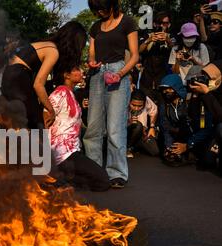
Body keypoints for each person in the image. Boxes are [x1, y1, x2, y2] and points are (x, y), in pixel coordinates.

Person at [84, 0, 139, 189]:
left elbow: (134, 55)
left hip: (118, 71)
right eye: (95, 9)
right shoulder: (95, 27)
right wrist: (91, 62)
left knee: (115, 127)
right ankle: (94, 171)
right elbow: (91, 54)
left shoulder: (128, 22)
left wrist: (121, 74)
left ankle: (116, 173)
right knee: (93, 127)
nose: (99, 12)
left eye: (102, 8)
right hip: (98, 74)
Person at [2, 22, 87, 130]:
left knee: (17, 123)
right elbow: (38, 85)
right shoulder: (53, 51)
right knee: (35, 123)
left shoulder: (46, 44)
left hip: (10, 76)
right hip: (18, 78)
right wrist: (51, 110)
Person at [49, 66, 110, 192]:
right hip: (63, 153)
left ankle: (61, 178)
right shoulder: (60, 92)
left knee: (99, 180)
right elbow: (45, 117)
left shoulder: (71, 93)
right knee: (102, 181)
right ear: (66, 75)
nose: (81, 71)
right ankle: (58, 179)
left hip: (73, 151)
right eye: (76, 69)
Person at [189, 60, 222, 176]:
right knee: (207, 161)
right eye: (205, 76)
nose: (207, 80)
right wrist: (195, 95)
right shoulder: (204, 93)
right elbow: (194, 117)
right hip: (211, 134)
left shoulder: (210, 94)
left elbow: (220, 116)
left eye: (211, 78)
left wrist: (208, 93)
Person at [139, 11, 175, 103]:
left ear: (169, 24)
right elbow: (139, 50)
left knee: (163, 106)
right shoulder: (148, 35)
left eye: (165, 23)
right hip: (147, 78)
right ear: (155, 24)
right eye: (160, 23)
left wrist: (167, 40)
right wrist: (149, 40)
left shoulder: (172, 37)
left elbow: (176, 51)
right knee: (147, 105)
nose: (162, 26)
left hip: (165, 77)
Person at [158, 74, 190, 166]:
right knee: (168, 155)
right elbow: (165, 126)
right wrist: (169, 146)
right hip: (175, 134)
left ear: (177, 88)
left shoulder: (188, 101)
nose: (166, 92)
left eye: (169, 88)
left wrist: (187, 146)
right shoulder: (164, 104)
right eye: (164, 89)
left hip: (190, 135)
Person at [127, 89, 159, 158]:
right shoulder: (124, 101)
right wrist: (129, 122)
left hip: (141, 133)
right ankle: (126, 148)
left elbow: (154, 111)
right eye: (133, 105)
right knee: (138, 126)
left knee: (155, 151)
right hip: (125, 132)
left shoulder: (147, 100)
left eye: (140, 106)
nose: (136, 108)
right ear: (129, 101)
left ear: (144, 103)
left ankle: (135, 146)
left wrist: (152, 127)